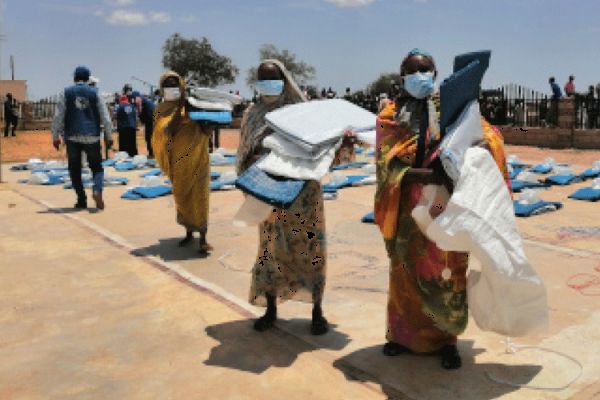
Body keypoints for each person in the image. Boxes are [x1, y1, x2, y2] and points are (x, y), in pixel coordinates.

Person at [374, 49, 509, 369]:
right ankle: (400, 336)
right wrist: (421, 174)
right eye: (412, 70)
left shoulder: (450, 108)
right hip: (408, 205)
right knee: (406, 270)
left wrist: (479, 145)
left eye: (425, 70)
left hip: (442, 203)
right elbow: (384, 163)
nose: (419, 76)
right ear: (402, 75)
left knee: (446, 269)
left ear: (435, 75)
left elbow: (488, 134)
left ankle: (447, 340)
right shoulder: (390, 115)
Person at [236, 59, 329, 335]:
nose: (268, 84)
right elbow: (243, 151)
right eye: (262, 78)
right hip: (269, 193)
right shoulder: (253, 113)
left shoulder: (300, 113)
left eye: (273, 78)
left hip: (303, 194)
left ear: (284, 80)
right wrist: (254, 160)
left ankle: (317, 311)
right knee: (270, 250)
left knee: (310, 249)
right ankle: (271, 308)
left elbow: (319, 148)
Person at [152, 71, 213, 254]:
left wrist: (206, 120)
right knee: (183, 197)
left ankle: (203, 237)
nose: (172, 88)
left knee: (200, 197)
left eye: (175, 84)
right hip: (178, 161)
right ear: (162, 89)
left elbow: (206, 130)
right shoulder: (161, 110)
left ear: (182, 86)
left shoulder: (194, 106)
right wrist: (180, 109)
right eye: (167, 85)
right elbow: (167, 130)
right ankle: (188, 232)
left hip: (198, 158)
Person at [51, 65, 113, 209]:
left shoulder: (65, 93)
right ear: (88, 79)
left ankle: (81, 199)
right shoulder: (95, 93)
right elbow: (106, 117)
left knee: (74, 169)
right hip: (92, 136)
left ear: (74, 78)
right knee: (97, 168)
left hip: (72, 136)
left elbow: (58, 116)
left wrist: (55, 136)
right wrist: (109, 136)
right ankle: (97, 190)